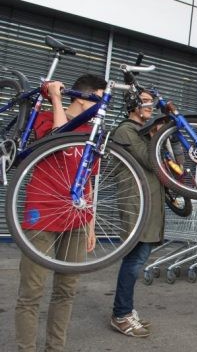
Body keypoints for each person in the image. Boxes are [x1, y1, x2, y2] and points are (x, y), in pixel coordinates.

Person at [15, 74, 106, 352]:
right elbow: (57, 137)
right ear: (82, 97)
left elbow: (88, 180)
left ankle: (56, 348)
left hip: (77, 220)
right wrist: (55, 97)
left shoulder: (94, 134)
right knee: (31, 292)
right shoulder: (43, 118)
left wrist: (90, 224)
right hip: (42, 215)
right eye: (99, 97)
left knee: (66, 291)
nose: (103, 105)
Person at [109, 89, 165, 338]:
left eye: (151, 102)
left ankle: (127, 309)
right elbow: (149, 160)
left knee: (138, 261)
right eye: (144, 102)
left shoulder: (143, 132)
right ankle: (120, 314)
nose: (150, 106)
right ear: (132, 105)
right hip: (136, 206)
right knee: (133, 263)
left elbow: (168, 165)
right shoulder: (126, 131)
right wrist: (156, 135)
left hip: (152, 204)